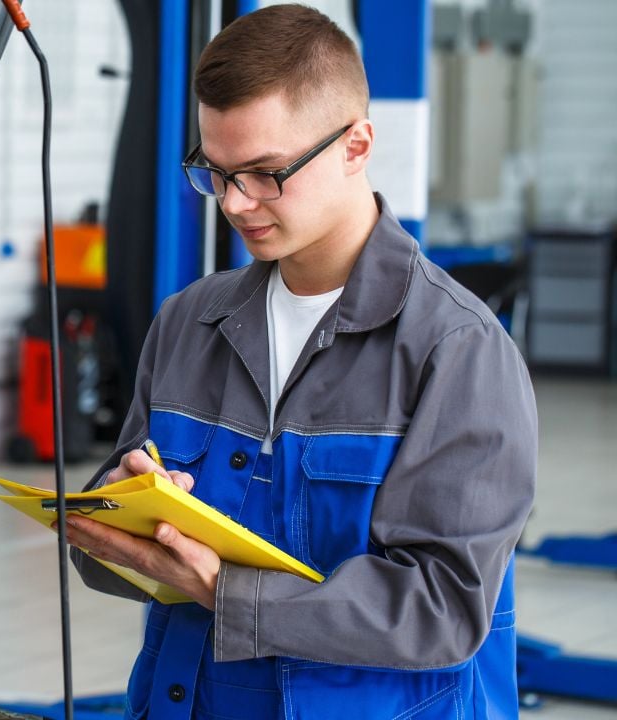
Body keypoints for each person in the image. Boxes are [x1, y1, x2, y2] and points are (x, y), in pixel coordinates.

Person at [63, 5, 537, 719]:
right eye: (214, 173)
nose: (234, 204)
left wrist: (225, 588)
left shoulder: (457, 351)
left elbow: (441, 608)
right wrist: (115, 518)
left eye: (264, 173)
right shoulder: (189, 322)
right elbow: (124, 533)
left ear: (356, 145)